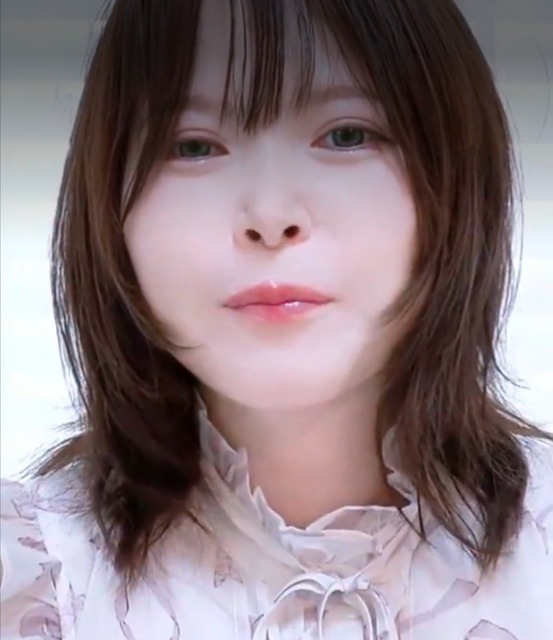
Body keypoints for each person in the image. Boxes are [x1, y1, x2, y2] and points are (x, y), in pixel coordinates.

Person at [1, 0, 552, 638]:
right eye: (194, 146)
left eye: (346, 135)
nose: (270, 214)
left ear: (458, 179)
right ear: (109, 204)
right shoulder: (37, 584)